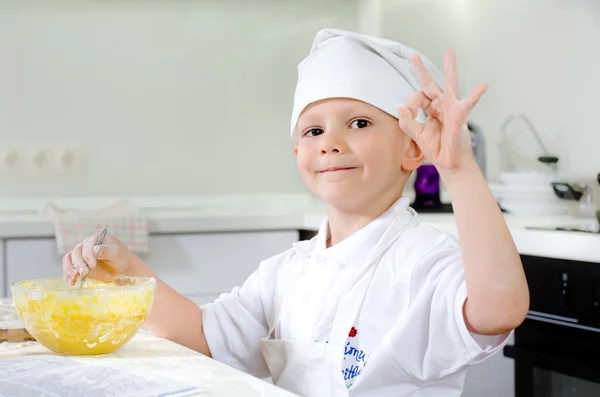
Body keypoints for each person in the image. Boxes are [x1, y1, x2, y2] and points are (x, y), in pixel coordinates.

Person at [62, 28, 529, 397]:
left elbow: (499, 311)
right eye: (312, 130)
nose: (330, 142)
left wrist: (460, 171)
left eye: (360, 122)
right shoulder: (286, 273)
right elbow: (206, 337)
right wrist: (128, 275)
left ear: (412, 148)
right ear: (297, 154)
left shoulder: (424, 261)